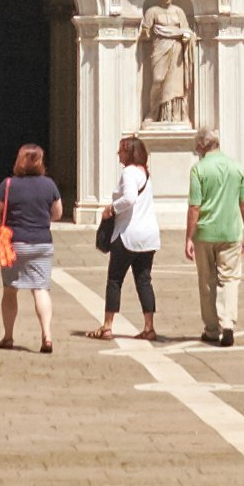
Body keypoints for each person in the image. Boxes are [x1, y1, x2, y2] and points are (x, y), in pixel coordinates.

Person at [85, 136, 164, 342]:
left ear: (129, 153)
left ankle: (108, 326)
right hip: (148, 236)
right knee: (144, 281)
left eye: (121, 150)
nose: (118, 154)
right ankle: (149, 327)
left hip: (128, 234)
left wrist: (112, 208)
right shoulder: (145, 173)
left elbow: (129, 198)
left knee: (114, 280)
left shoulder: (129, 172)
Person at [0, 145, 62, 352]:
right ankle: (47, 336)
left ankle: (9, 337)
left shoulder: (8, 184)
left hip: (15, 244)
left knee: (10, 291)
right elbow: (57, 213)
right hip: (42, 243)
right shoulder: (49, 185)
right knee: (40, 289)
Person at [184, 125, 244, 345]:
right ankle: (228, 323)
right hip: (231, 232)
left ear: (203, 145)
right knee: (230, 279)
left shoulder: (199, 169)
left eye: (197, 143)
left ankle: (212, 329)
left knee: (207, 281)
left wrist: (188, 237)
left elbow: (195, 206)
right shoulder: (236, 167)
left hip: (205, 233)